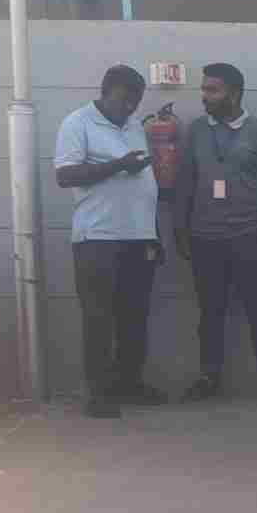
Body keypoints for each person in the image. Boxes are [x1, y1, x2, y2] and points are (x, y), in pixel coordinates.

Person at [53, 64, 166, 419]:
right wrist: (118, 165)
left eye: (136, 101)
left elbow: (144, 184)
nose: (129, 107)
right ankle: (100, 395)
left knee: (135, 316)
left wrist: (154, 233)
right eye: (123, 100)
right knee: (99, 318)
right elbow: (65, 175)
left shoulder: (134, 126)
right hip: (98, 238)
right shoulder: (77, 123)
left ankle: (130, 384)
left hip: (139, 237)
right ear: (104, 93)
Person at [175, 62, 257, 403]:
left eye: (212, 90)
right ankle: (208, 377)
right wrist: (180, 228)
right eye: (203, 89)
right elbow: (185, 181)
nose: (204, 96)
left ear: (234, 94)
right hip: (204, 238)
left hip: (248, 237)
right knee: (210, 312)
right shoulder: (197, 131)